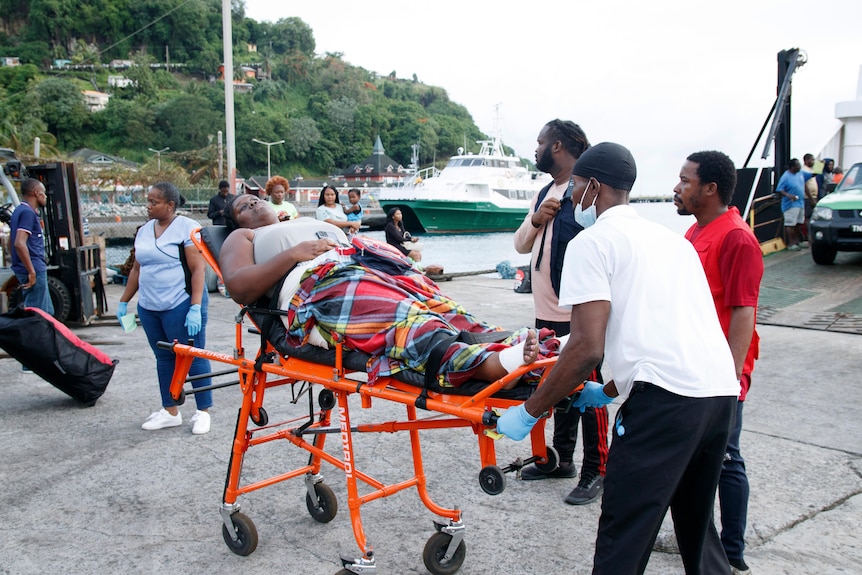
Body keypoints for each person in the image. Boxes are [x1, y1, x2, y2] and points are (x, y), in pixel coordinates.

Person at [496, 142, 739, 574]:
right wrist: (607, 389)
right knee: (698, 532)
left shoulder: (593, 243)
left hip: (665, 406)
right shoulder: (673, 242)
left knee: (623, 533)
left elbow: (587, 344)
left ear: (593, 188)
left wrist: (531, 411)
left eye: (574, 189)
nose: (570, 199)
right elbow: (661, 332)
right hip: (718, 395)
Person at [220, 194, 546, 388]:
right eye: (242, 208)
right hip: (318, 286)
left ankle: (505, 347)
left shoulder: (295, 222)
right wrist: (294, 253)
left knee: (440, 308)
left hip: (367, 266)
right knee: (406, 321)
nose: (250, 203)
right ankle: (488, 368)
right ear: (238, 223)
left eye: (254, 198)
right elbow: (239, 288)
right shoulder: (244, 238)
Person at [673, 150, 764, 575]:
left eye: (685, 180)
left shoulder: (736, 237)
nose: (678, 187)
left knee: (726, 457)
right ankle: (698, 539)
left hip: (723, 371)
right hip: (695, 365)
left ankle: (732, 551)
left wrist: (731, 380)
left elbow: (744, 311)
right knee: (697, 458)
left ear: (709, 189)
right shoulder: (695, 232)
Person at [513, 119, 608, 506]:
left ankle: (597, 470)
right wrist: (537, 220)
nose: (534, 149)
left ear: (557, 146)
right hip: (546, 310)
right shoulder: (543, 193)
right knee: (557, 385)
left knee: (587, 392)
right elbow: (520, 245)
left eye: (539, 142)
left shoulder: (587, 191)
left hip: (578, 314)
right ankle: (562, 460)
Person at [117, 182, 214, 434]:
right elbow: (137, 269)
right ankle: (170, 410)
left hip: (180, 303)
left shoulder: (188, 228)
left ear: (170, 205)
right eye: (148, 201)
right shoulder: (144, 230)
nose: (148, 206)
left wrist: (195, 306)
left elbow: (198, 269)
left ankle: (203, 411)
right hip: (150, 306)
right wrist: (124, 301)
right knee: (164, 358)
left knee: (192, 355)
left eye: (153, 202)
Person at [10, 178, 53, 318]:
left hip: (28, 266)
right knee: (38, 316)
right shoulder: (28, 213)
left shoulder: (19, 211)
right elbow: (19, 243)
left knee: (47, 313)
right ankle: (36, 340)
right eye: (43, 193)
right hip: (34, 267)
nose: (45, 197)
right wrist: (31, 271)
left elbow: (11, 242)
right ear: (36, 193)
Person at [776, 158, 806, 251]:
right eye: (797, 165)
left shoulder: (800, 173)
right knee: (790, 224)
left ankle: (798, 241)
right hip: (791, 204)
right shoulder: (785, 176)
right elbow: (780, 189)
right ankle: (791, 243)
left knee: (799, 223)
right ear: (792, 167)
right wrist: (789, 195)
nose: (799, 167)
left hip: (800, 202)